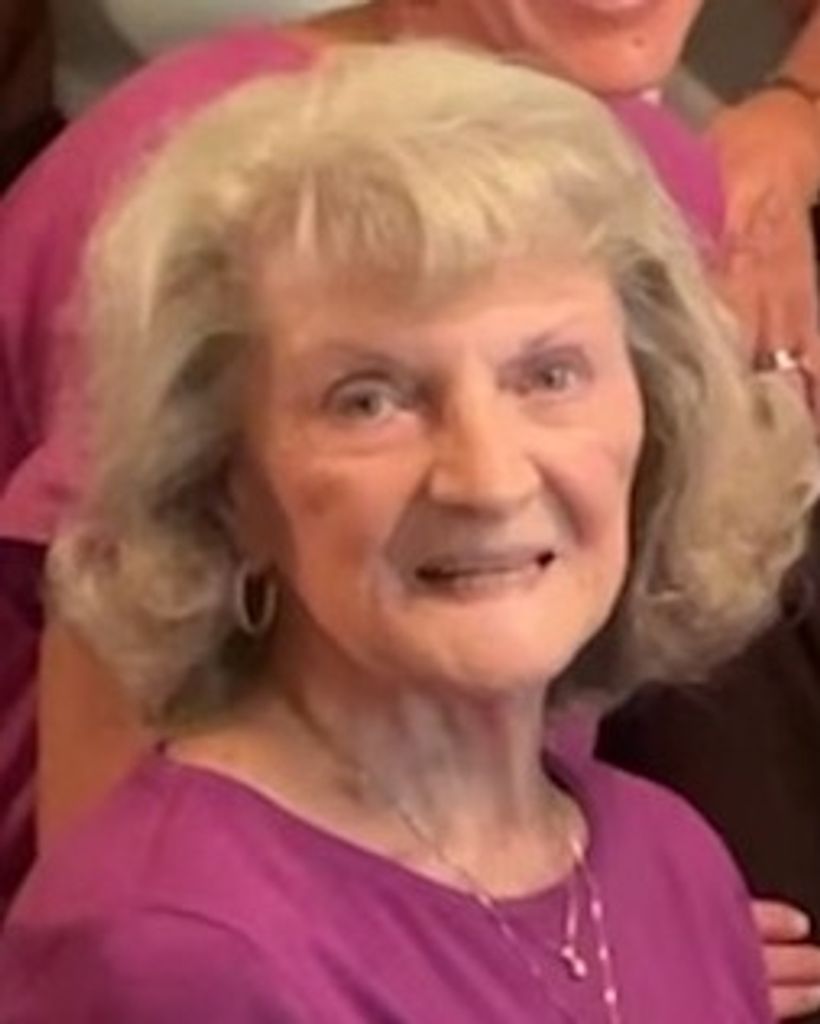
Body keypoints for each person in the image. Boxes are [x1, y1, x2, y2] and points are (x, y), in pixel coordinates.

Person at [0, 2, 818, 1014]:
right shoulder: (179, 953)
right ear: (223, 479)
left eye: (550, 376)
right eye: (370, 401)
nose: (489, 478)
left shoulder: (670, 864)